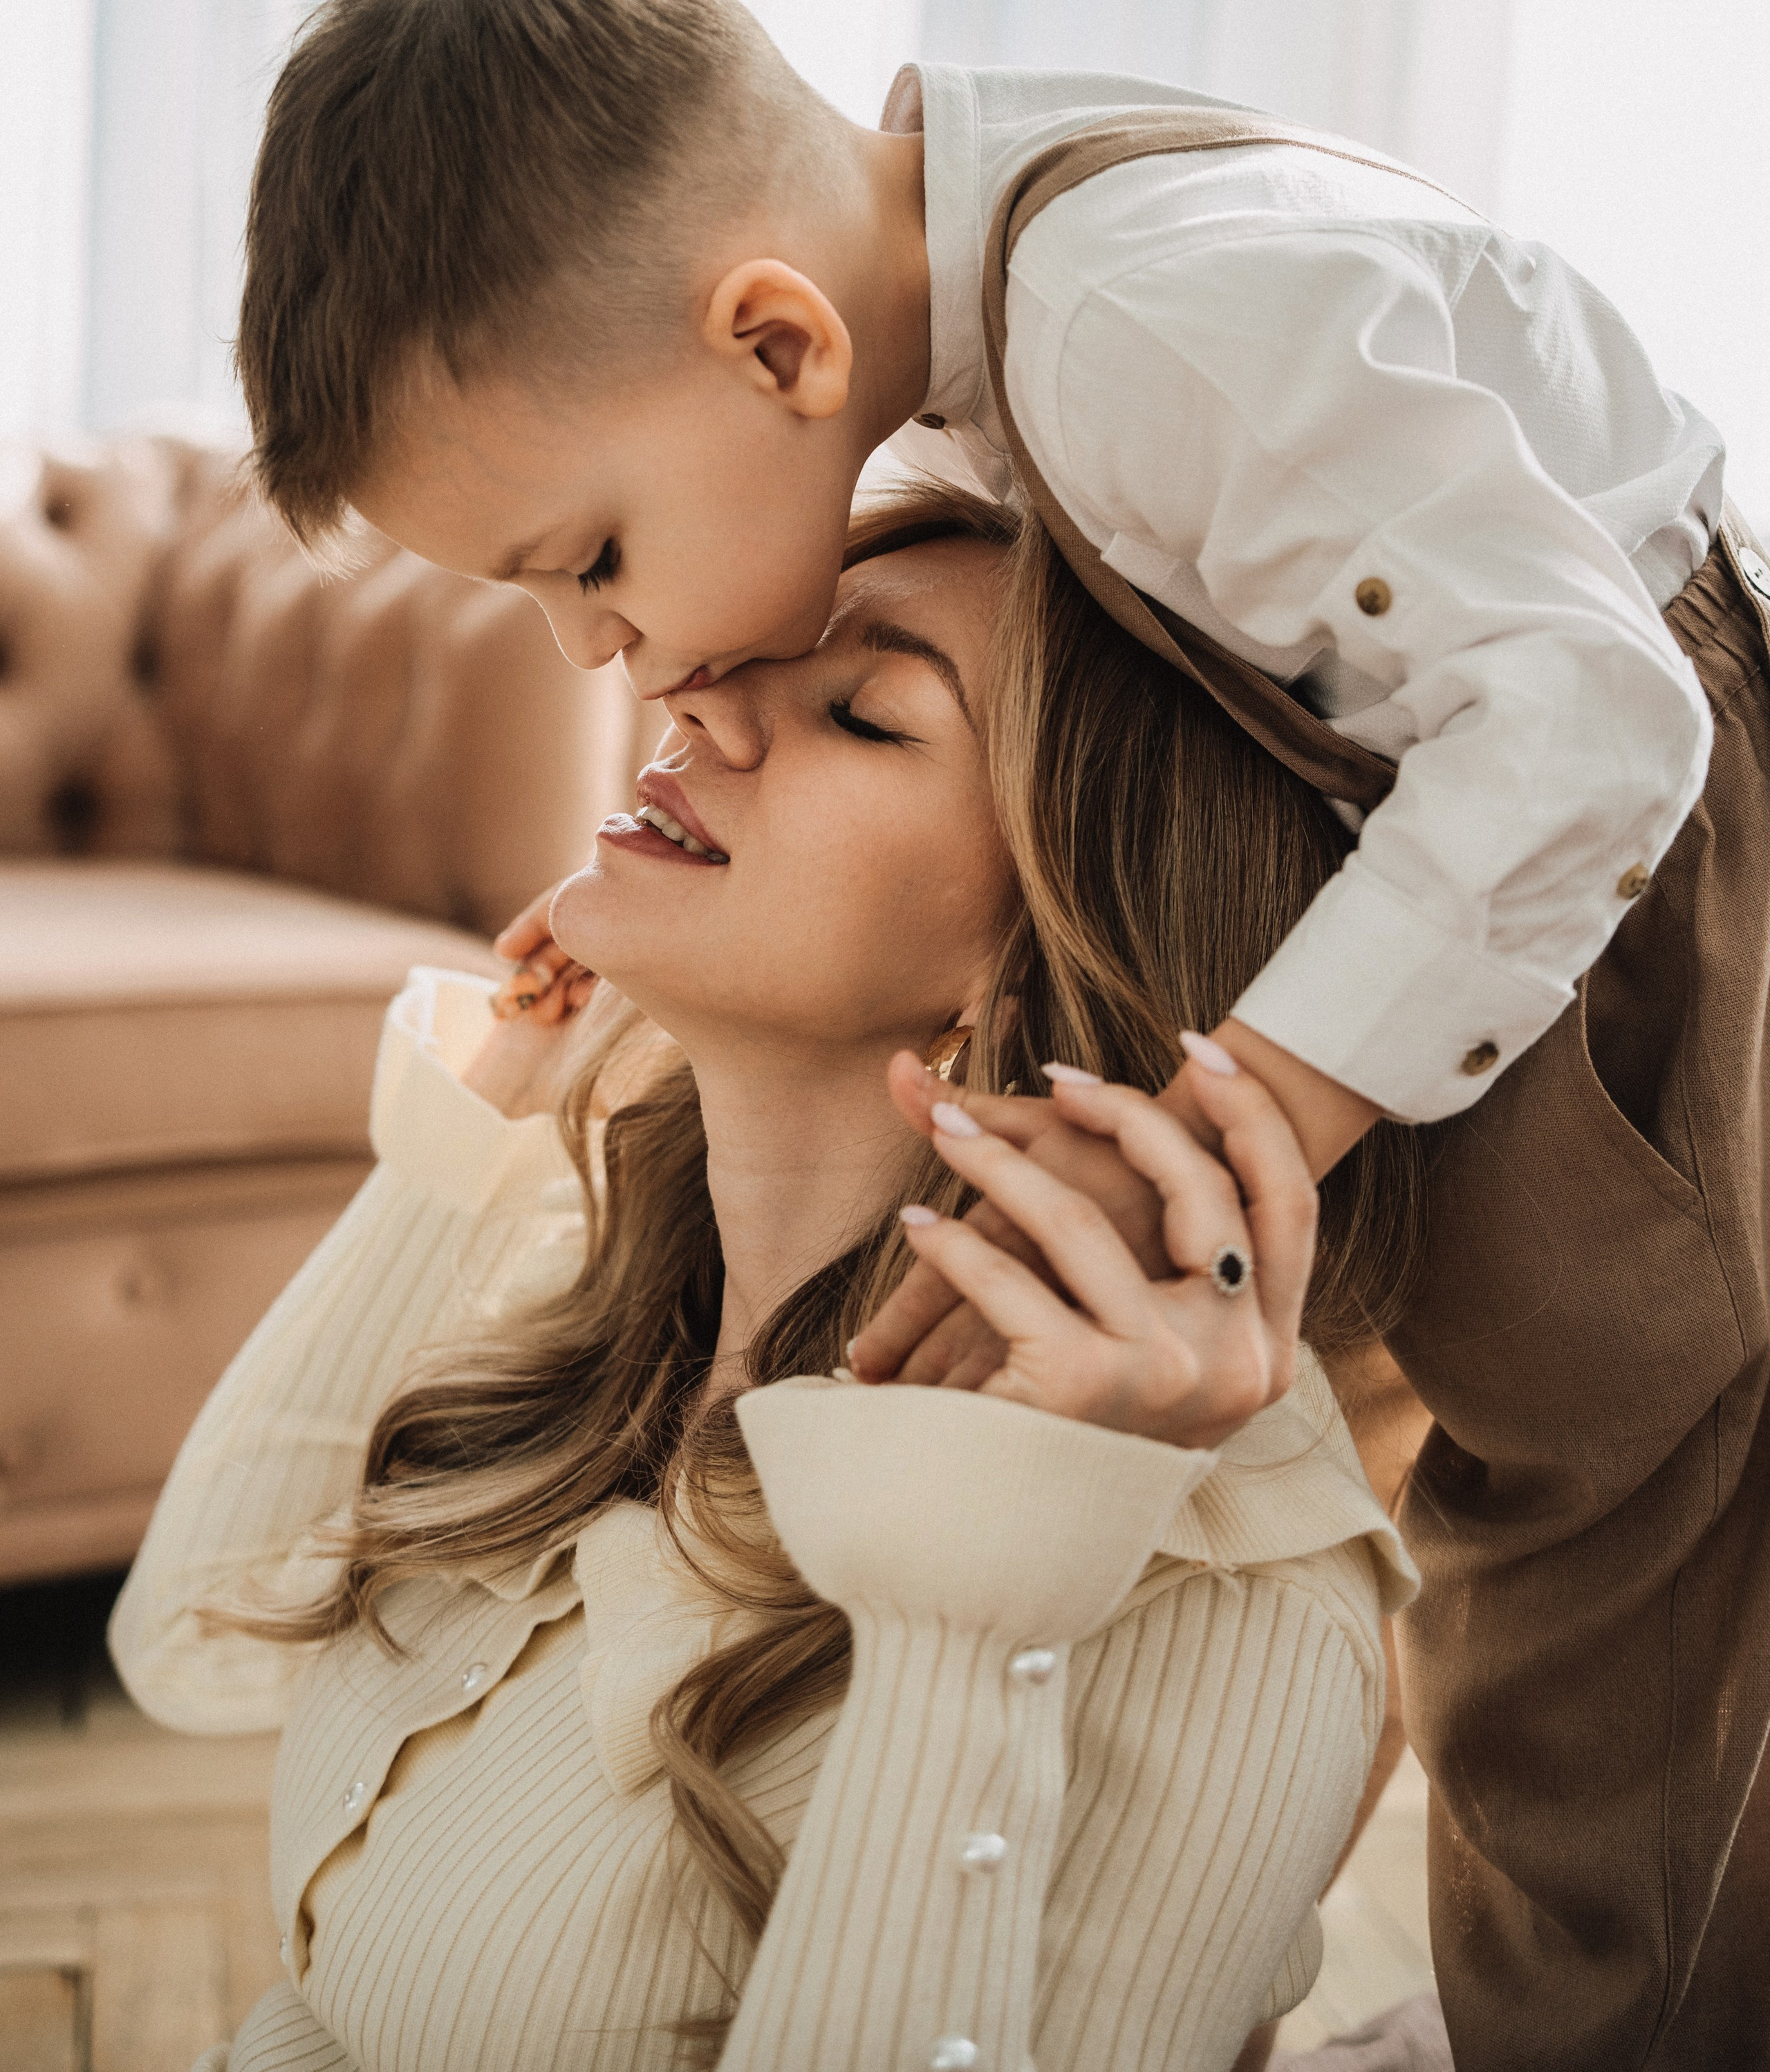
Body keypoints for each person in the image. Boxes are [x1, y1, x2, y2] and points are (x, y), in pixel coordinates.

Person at [232, 0, 1770, 2071]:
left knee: (1610, 1543)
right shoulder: (993, 263)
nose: (605, 653)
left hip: (1634, 838)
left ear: (772, 341)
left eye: (587, 559)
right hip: (1492, 808)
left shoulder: (1132, 317)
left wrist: (1250, 1126)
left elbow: (1590, 726)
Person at [112, 489, 1417, 2071]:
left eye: (860, 712)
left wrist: (967, 1607)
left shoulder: (1227, 1595)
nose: (688, 697)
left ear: (1036, 963)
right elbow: (191, 1643)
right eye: (745, 653)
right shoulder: (604, 1278)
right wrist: (489, 1117)